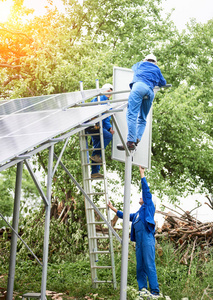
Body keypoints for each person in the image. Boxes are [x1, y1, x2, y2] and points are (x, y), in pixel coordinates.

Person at [108, 166, 161, 299]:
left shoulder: (148, 206)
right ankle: (142, 289)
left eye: (142, 196)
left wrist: (141, 174)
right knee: (140, 266)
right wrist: (112, 208)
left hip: (147, 240)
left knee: (149, 264)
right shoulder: (138, 213)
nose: (141, 197)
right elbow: (126, 215)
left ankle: (155, 291)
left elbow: (146, 191)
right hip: (139, 242)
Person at [117, 54, 166, 151]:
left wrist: (143, 62)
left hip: (139, 87)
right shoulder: (157, 69)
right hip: (150, 92)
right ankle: (137, 138)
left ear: (145, 60)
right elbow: (163, 83)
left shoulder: (140, 64)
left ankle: (130, 141)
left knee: (132, 114)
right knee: (142, 117)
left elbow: (133, 67)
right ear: (155, 62)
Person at [88, 83, 115, 179]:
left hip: (99, 126)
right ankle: (95, 155)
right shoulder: (99, 99)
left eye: (111, 92)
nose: (109, 94)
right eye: (108, 91)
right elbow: (90, 111)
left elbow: (106, 118)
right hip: (93, 125)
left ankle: (95, 172)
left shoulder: (107, 102)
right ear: (103, 91)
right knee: (108, 136)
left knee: (97, 145)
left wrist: (109, 128)